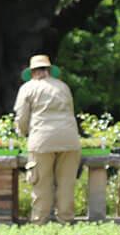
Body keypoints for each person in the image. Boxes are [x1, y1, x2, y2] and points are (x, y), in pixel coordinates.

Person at [13, 55, 81, 224]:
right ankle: (66, 221)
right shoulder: (63, 87)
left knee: (41, 184)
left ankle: (39, 222)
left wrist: (23, 133)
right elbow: (71, 112)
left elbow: (22, 118)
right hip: (70, 140)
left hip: (42, 140)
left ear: (32, 72)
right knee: (66, 184)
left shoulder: (28, 88)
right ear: (49, 70)